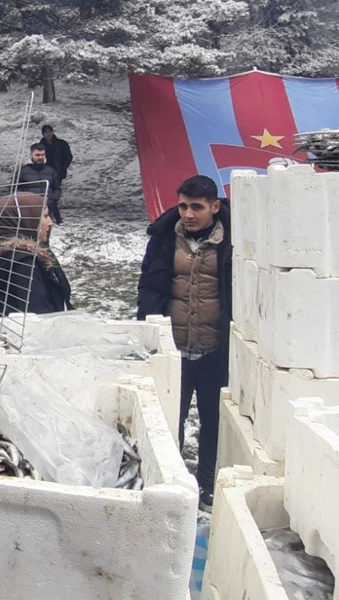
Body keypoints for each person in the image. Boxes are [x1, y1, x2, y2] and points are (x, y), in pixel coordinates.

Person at [137, 175, 231, 512]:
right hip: (173, 350)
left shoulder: (231, 241)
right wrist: (148, 329)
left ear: (215, 207)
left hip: (214, 349)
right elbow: (148, 285)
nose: (188, 214)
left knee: (212, 422)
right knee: (167, 422)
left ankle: (207, 485)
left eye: (197, 207)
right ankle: (169, 484)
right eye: (182, 206)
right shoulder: (164, 239)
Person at [0, 193, 72, 317]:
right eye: (44, 216)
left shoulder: (1, 253)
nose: (50, 222)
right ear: (25, 220)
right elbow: (40, 316)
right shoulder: (23, 264)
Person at [35, 125, 73, 223]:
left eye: (49, 131)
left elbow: (68, 157)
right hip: (45, 173)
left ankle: (54, 216)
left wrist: (63, 168)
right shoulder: (40, 146)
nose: (48, 134)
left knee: (53, 194)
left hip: (58, 173)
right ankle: (55, 216)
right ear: (43, 134)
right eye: (46, 132)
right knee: (48, 194)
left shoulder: (61, 144)